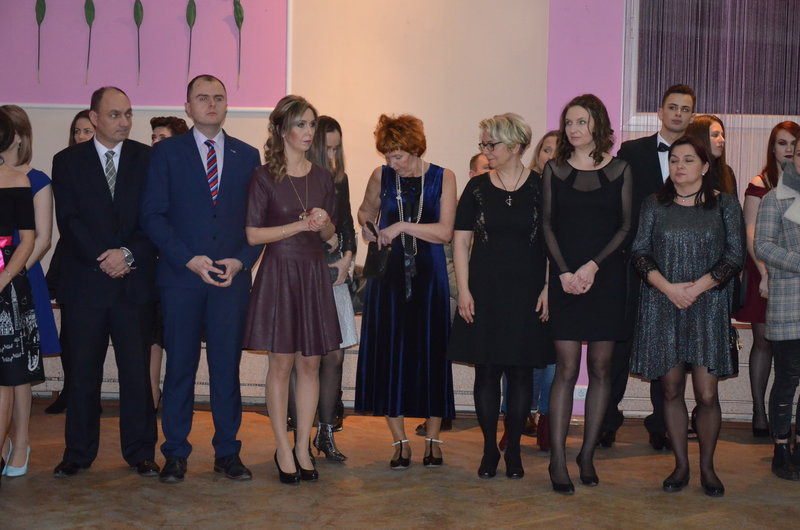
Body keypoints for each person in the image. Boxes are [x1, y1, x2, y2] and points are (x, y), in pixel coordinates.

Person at [140, 74, 261, 484]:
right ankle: (175, 453)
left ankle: (227, 452)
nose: (211, 104)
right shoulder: (166, 153)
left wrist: (242, 261)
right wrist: (187, 259)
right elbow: (152, 215)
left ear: (227, 105)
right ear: (187, 106)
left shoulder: (247, 155)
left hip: (230, 280)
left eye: (219, 98)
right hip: (181, 278)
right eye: (202, 98)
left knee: (226, 369)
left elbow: (257, 221)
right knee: (179, 369)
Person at [51, 87, 158, 478]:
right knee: (82, 374)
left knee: (136, 374)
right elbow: (70, 220)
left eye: (128, 114)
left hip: (133, 285)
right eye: (115, 115)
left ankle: (141, 452)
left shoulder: (147, 158)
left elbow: (155, 217)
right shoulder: (67, 161)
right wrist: (105, 257)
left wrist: (127, 254)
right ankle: (78, 453)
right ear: (94, 118)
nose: (124, 122)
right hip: (86, 284)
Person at [631, 135, 744, 497]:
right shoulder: (654, 204)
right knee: (671, 388)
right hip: (662, 304)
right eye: (675, 160)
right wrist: (669, 289)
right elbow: (639, 253)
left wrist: (695, 289)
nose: (679, 166)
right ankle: (680, 465)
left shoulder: (724, 204)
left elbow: (735, 255)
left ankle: (708, 468)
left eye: (689, 160)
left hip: (708, 306)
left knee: (707, 394)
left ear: (705, 167)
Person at [448, 113, 550, 479]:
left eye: (492, 144)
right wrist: (464, 291)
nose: (486, 150)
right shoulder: (477, 188)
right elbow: (461, 242)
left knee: (521, 372)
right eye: (484, 143)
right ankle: (490, 448)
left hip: (528, 292)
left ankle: (515, 450)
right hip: (484, 291)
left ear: (516, 145)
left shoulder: (542, 186)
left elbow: (556, 242)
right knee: (487, 371)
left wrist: (549, 287)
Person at [243, 95, 339, 484]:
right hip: (280, 272)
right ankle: (282, 446)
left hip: (313, 272)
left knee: (311, 363)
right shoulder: (264, 176)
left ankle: (303, 447)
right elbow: (253, 235)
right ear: (282, 130)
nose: (308, 131)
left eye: (311, 124)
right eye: (300, 124)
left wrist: (325, 223)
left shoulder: (323, 176)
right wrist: (299, 226)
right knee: (281, 363)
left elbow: (331, 236)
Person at [542, 94, 632, 494]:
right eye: (568, 122)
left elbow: (626, 227)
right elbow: (547, 225)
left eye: (580, 121)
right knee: (565, 369)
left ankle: (588, 454)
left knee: (601, 369)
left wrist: (593, 267)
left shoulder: (621, 169)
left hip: (605, 278)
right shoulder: (554, 169)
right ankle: (557, 460)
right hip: (564, 279)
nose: (573, 129)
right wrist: (564, 272)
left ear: (597, 123)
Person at [355, 114, 456, 469]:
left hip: (429, 277)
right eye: (387, 156)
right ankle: (400, 441)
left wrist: (399, 226)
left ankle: (433, 438)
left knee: (433, 352)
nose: (392, 163)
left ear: (415, 149)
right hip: (389, 278)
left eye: (397, 156)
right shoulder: (380, 176)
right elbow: (364, 212)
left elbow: (444, 232)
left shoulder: (443, 177)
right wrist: (369, 228)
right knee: (390, 353)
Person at [601, 84, 696, 451]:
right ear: (660, 112)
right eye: (672, 107)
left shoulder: (698, 155)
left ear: (691, 116)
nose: (678, 114)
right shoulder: (632, 151)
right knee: (619, 345)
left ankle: (661, 424)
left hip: (677, 268)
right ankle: (606, 421)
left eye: (685, 109)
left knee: (665, 348)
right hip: (631, 264)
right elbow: (618, 205)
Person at [0, 105, 59, 477]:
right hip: (10, 274)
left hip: (21, 278)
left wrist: (12, 273)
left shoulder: (34, 180)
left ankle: (20, 441)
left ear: (18, 137)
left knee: (18, 370)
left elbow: (40, 238)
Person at [734, 121, 800, 438]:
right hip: (764, 272)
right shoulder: (762, 184)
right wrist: (764, 274)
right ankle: (759, 412)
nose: (788, 149)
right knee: (763, 343)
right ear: (772, 147)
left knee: (788, 357)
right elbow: (752, 234)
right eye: (782, 143)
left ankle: (783, 424)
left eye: (793, 144)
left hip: (788, 280)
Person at [304, 115, 357, 462]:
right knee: (304, 356)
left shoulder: (340, 179)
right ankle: (299, 433)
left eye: (338, 149)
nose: (334, 156)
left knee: (335, 354)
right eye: (329, 149)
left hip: (335, 271)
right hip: (305, 271)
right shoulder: (299, 177)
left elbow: (348, 224)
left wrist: (347, 258)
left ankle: (325, 432)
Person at [755, 135, 800, 481]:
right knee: (787, 379)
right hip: (789, 304)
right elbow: (763, 246)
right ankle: (781, 447)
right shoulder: (775, 198)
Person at [45, 109, 95, 415]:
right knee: (70, 332)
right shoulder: (65, 164)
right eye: (77, 131)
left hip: (105, 258)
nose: (80, 136)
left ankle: (88, 395)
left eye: (87, 130)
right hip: (71, 256)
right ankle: (70, 390)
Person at [0, 109, 41, 484]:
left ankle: (10, 446)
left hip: (7, 285)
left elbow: (29, 240)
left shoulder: (18, 180)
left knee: (7, 377)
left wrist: (3, 278)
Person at [147, 115, 189, 411]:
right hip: (148, 271)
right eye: (153, 137)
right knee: (150, 339)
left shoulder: (189, 176)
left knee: (177, 344)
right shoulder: (146, 171)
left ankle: (174, 402)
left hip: (180, 272)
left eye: (162, 138)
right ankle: (150, 396)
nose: (155, 143)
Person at [686, 115, 738, 196]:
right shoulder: (685, 170)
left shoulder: (727, 172)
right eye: (715, 135)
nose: (722, 140)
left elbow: (734, 203)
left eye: (722, 135)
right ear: (699, 138)